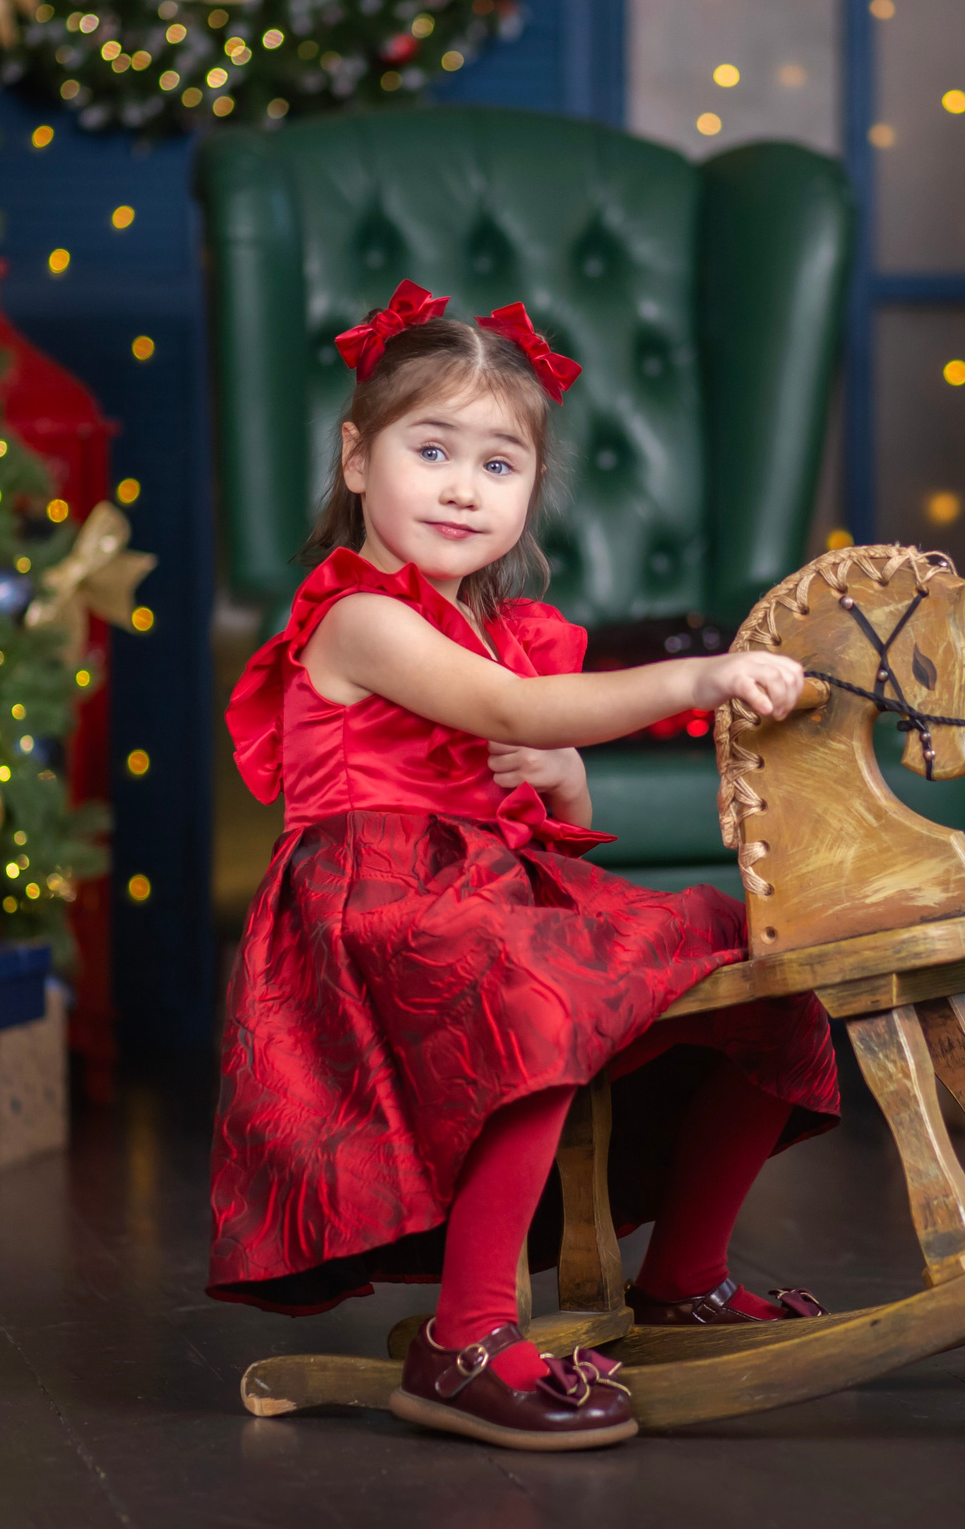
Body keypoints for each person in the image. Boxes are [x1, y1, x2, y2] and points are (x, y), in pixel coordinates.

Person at [214, 281, 841, 1451]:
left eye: (498, 464)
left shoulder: (488, 627)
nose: (462, 484)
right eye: (430, 448)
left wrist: (561, 781)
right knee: (531, 993)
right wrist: (699, 676)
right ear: (357, 459)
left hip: (480, 890)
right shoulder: (357, 615)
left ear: (529, 492)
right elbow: (506, 705)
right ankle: (466, 1335)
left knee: (762, 953)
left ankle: (686, 1275)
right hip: (368, 914)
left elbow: (531, 773)